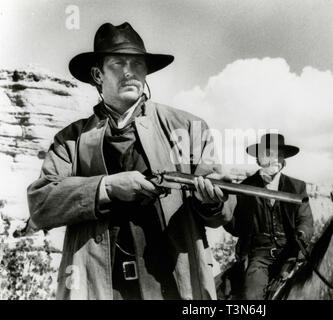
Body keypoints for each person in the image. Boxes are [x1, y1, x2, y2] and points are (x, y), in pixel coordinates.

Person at [27, 22, 230, 300]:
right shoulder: (70, 140)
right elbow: (41, 204)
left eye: (137, 64)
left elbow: (225, 208)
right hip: (100, 287)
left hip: (170, 283)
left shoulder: (188, 127)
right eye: (119, 63)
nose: (129, 72)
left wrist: (212, 201)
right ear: (97, 74)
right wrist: (107, 188)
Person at [224, 133, 314, 300]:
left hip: (291, 251)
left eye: (279, 155)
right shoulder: (246, 187)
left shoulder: (296, 187)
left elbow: (305, 220)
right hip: (259, 256)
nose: (275, 159)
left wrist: (301, 234)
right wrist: (223, 207)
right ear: (259, 159)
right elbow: (235, 227)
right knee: (252, 294)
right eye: (270, 154)